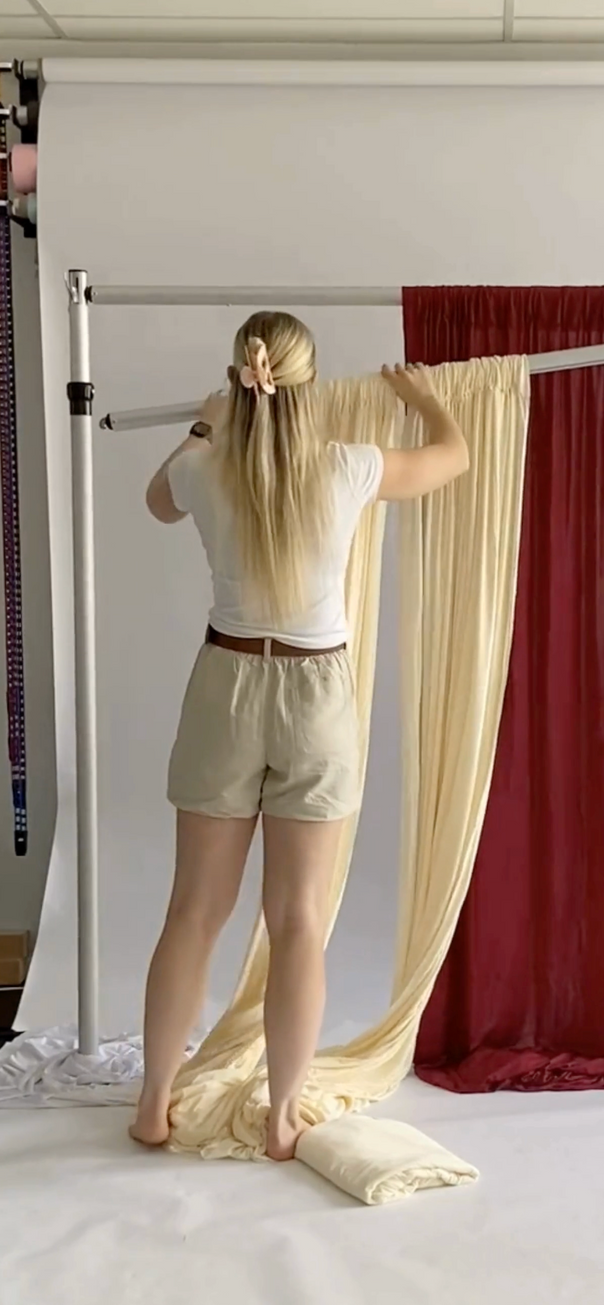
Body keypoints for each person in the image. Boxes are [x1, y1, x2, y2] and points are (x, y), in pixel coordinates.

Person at [129, 311, 468, 1160]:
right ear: (308, 386)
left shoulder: (203, 468)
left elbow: (154, 502)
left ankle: (153, 1100)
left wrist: (207, 422)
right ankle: (283, 1117)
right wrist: (429, 403)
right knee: (299, 922)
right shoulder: (348, 468)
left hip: (226, 687)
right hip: (317, 697)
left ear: (241, 380)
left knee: (193, 912)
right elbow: (451, 460)